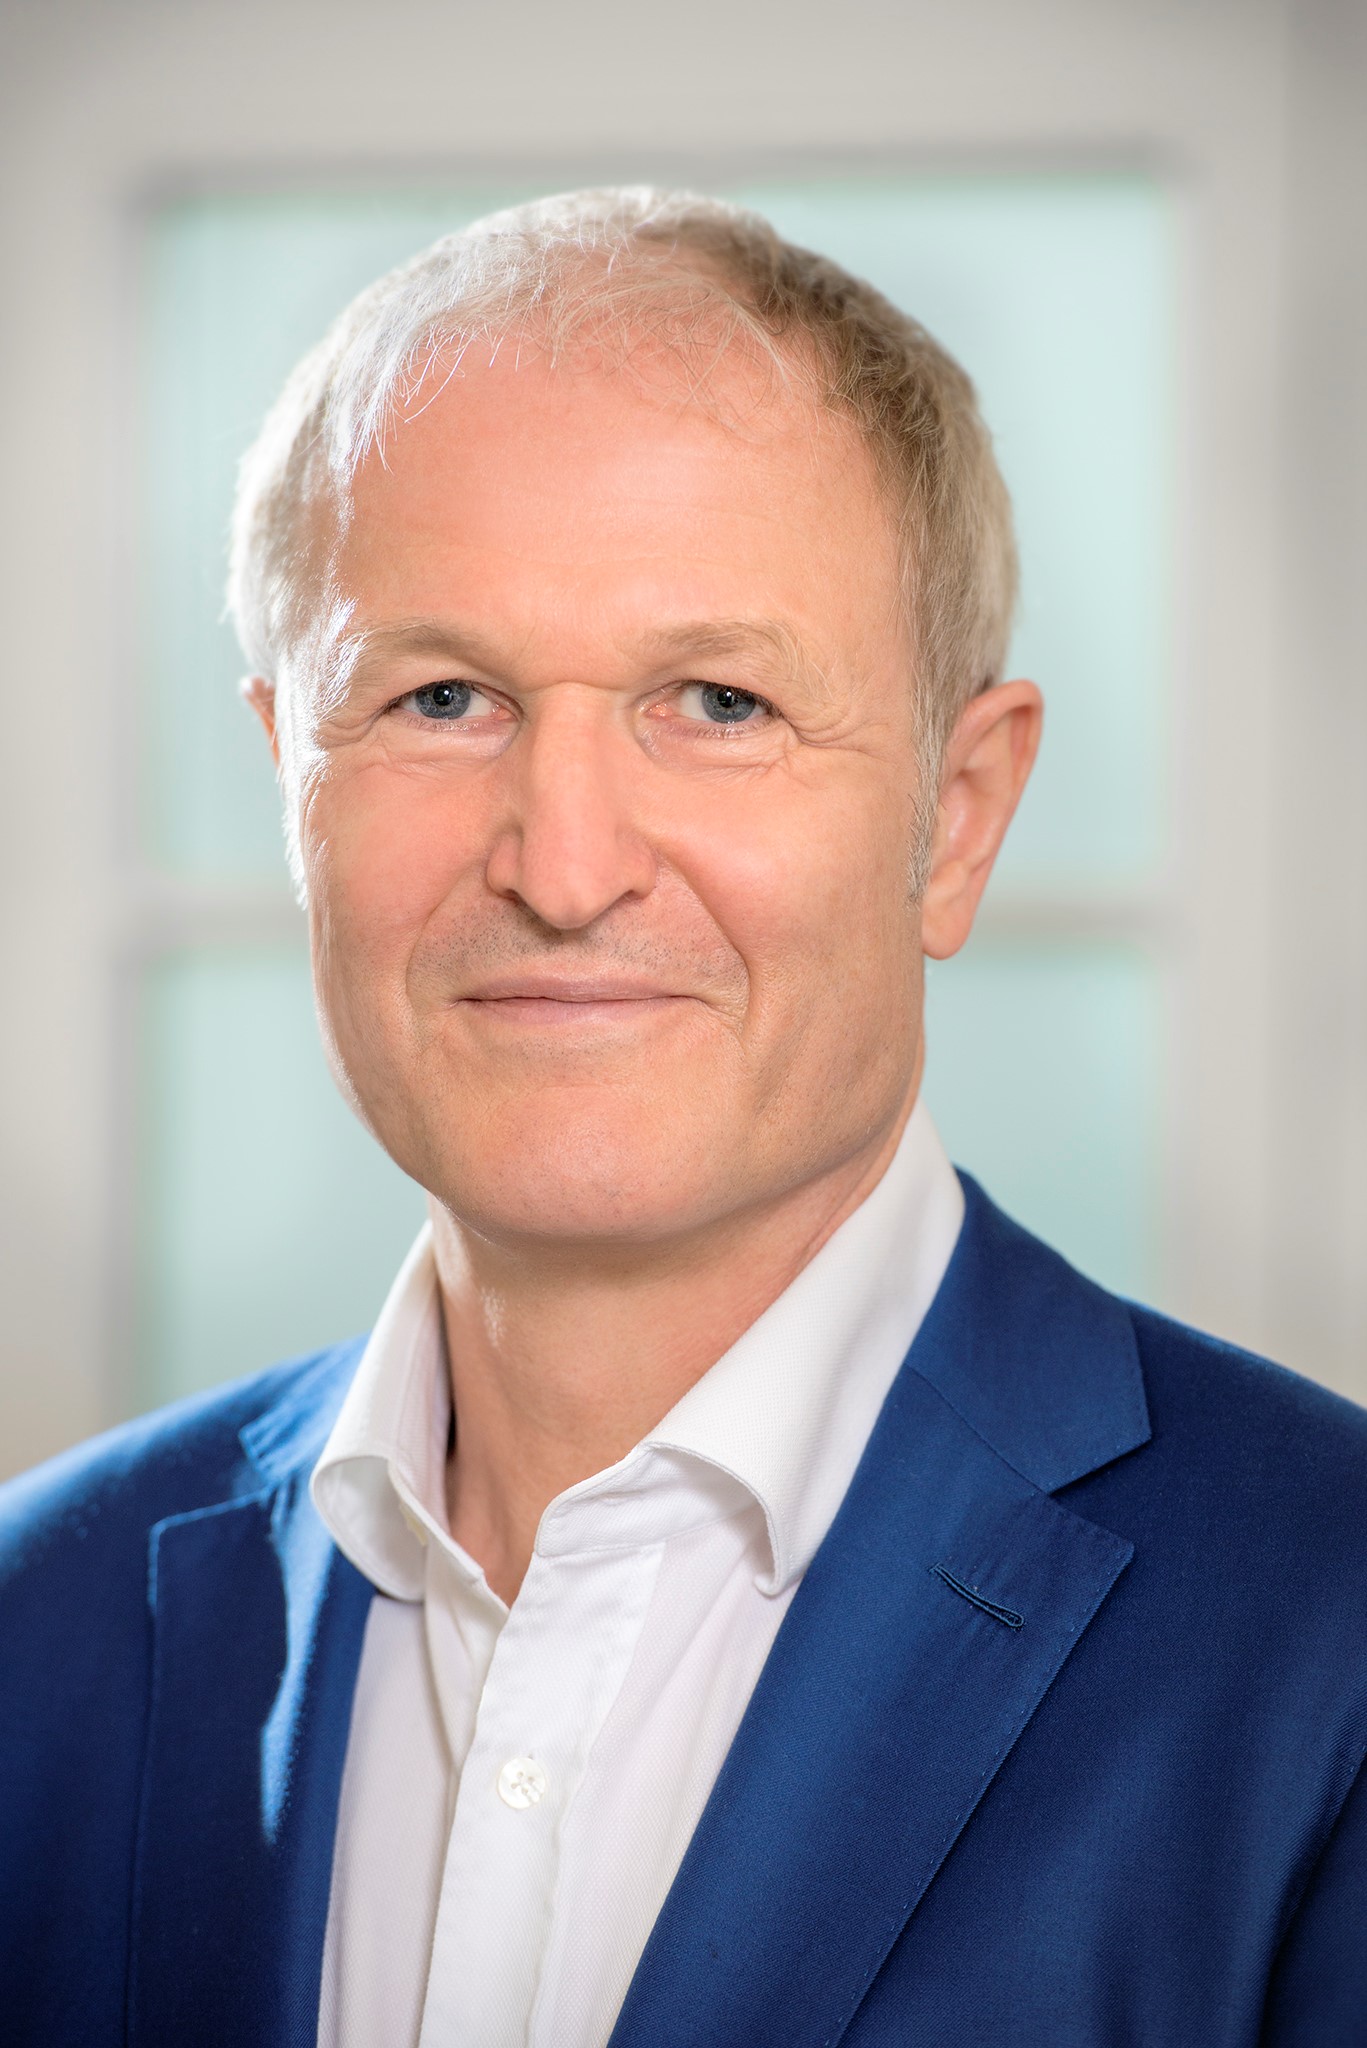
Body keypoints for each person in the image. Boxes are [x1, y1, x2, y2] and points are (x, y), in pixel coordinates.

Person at [2, 187, 1364, 2048]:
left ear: (959, 817)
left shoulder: (1329, 1633)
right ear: (288, 781)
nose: (565, 869)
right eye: (442, 697)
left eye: (719, 701)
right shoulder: (35, 1626)